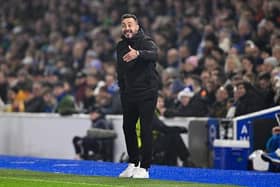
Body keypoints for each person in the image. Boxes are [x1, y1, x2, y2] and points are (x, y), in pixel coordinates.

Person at [116, 13, 160, 178]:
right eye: (124, 25)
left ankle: (145, 168)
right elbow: (120, 71)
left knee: (145, 129)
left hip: (147, 92)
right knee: (127, 128)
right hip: (129, 94)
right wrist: (122, 90)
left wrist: (138, 54)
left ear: (137, 26)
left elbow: (155, 54)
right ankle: (133, 163)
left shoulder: (146, 42)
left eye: (130, 24)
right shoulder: (120, 46)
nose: (127, 28)